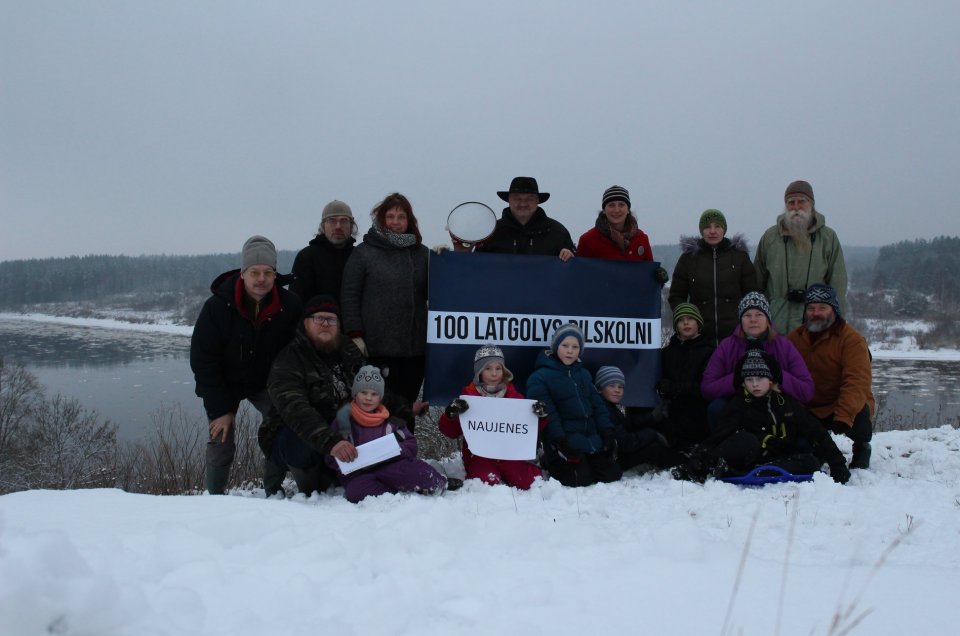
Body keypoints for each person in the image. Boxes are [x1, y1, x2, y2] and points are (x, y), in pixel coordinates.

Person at [259, 295, 416, 496]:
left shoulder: (347, 349)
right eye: (318, 318)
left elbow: (368, 389)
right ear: (305, 323)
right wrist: (331, 443)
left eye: (331, 319)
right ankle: (306, 486)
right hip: (295, 434)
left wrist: (407, 408)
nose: (325, 324)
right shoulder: (289, 360)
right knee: (302, 451)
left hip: (341, 429)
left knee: (385, 423)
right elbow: (296, 411)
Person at [190, 235, 302, 495]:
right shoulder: (218, 306)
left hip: (267, 381)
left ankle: (272, 490)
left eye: (267, 272)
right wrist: (220, 409)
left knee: (282, 424)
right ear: (243, 273)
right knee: (221, 435)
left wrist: (288, 388)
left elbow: (298, 352)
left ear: (275, 275)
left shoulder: (290, 306)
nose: (261, 279)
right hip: (225, 382)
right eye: (254, 272)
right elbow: (203, 360)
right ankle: (215, 496)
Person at [673, 350, 851, 484]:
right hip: (750, 454)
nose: (755, 384)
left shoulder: (787, 403)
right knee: (743, 441)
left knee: (811, 461)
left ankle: (758, 471)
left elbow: (816, 431)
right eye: (749, 379)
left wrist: (837, 463)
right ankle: (724, 468)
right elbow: (719, 435)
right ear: (743, 382)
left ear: (771, 380)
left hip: (781, 455)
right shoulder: (739, 404)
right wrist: (699, 457)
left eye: (760, 378)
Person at [341, 193, 429, 405]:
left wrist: (446, 260)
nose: (396, 222)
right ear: (381, 219)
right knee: (376, 411)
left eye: (401, 217)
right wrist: (354, 333)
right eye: (390, 216)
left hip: (413, 351)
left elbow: (438, 293)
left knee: (406, 412)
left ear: (409, 221)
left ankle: (405, 440)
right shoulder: (364, 253)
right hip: (375, 350)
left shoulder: (422, 254)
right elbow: (350, 294)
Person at [327, 366, 447, 503]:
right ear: (355, 394)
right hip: (359, 474)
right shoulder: (343, 421)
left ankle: (439, 481)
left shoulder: (390, 420)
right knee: (356, 491)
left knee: (420, 473)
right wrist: (345, 458)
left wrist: (393, 451)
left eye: (374, 394)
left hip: (392, 467)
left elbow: (411, 445)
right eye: (363, 392)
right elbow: (329, 454)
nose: (368, 398)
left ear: (381, 397)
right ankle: (393, 496)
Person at [787, 283, 875, 469]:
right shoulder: (793, 339)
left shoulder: (852, 340)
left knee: (859, 418)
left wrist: (844, 416)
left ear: (834, 310)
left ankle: (862, 446)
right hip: (809, 406)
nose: (816, 313)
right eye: (811, 308)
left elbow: (857, 382)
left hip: (840, 403)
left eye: (822, 308)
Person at [439, 344, 548, 489]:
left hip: (510, 455)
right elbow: (449, 432)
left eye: (498, 368)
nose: (494, 373)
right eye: (488, 368)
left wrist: (540, 417)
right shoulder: (469, 398)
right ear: (479, 372)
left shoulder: (514, 396)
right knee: (485, 483)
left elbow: (529, 429)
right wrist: (450, 416)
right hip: (480, 457)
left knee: (533, 482)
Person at [526, 324, 622, 487]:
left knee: (612, 475)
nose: (570, 351)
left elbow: (598, 406)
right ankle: (548, 461)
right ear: (556, 346)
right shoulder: (539, 378)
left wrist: (607, 431)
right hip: (563, 443)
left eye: (575, 347)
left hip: (590, 439)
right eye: (565, 345)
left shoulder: (583, 374)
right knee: (580, 479)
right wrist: (559, 442)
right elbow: (549, 416)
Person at [701, 292, 814, 429]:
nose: (753, 320)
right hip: (740, 405)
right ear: (741, 319)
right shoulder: (727, 346)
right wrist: (737, 379)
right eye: (747, 315)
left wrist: (779, 375)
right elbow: (707, 388)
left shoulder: (784, 346)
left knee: (802, 442)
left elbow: (807, 391)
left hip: (776, 406)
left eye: (759, 315)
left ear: (768, 319)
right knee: (716, 408)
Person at [754, 180, 849, 334]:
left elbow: (837, 283)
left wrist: (837, 322)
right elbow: (757, 282)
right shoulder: (770, 237)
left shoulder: (828, 238)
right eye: (791, 202)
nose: (796, 207)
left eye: (801, 202)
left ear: (811, 204)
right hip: (775, 326)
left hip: (815, 326)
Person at [669, 209, 758, 346]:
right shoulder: (688, 259)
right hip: (699, 339)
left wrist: (747, 323)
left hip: (736, 336)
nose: (712, 231)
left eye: (717, 226)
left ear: (724, 229)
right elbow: (676, 296)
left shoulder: (739, 256)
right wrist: (687, 321)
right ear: (701, 231)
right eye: (707, 227)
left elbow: (752, 294)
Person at [654, 304, 715, 455]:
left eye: (690, 319)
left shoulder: (709, 352)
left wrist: (673, 388)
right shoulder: (666, 353)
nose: (686, 323)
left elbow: (704, 387)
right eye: (681, 320)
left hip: (698, 410)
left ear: (698, 323)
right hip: (671, 409)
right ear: (676, 326)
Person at [473, 176, 576, 260]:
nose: (523, 203)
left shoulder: (557, 232)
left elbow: (574, 269)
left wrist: (570, 256)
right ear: (508, 200)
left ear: (537, 201)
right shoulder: (491, 232)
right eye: (517, 198)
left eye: (530, 199)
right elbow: (475, 266)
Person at [594, 366, 671, 471]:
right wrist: (652, 434)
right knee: (654, 448)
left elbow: (626, 423)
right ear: (600, 388)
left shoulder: (608, 405)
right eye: (611, 386)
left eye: (620, 387)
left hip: (615, 454)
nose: (617, 390)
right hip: (611, 460)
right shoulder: (603, 409)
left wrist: (651, 418)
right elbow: (626, 443)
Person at [290, 200, 356, 303]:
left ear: (351, 226)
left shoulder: (359, 256)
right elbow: (296, 301)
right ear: (323, 226)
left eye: (344, 221)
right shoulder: (307, 257)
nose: (338, 226)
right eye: (332, 221)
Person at [576, 185, 653, 261]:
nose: (616, 210)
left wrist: (657, 272)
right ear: (604, 210)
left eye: (621, 205)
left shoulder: (641, 239)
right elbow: (579, 270)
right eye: (611, 205)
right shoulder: (588, 240)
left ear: (628, 209)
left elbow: (649, 272)